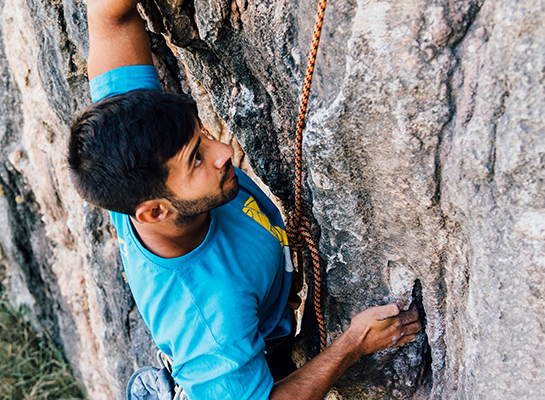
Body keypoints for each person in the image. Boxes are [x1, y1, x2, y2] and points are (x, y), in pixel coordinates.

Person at [67, 1, 422, 398]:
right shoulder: (210, 318)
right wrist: (354, 343)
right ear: (155, 211)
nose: (223, 151)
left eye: (202, 134)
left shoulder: (138, 143)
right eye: (196, 159)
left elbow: (110, 16)